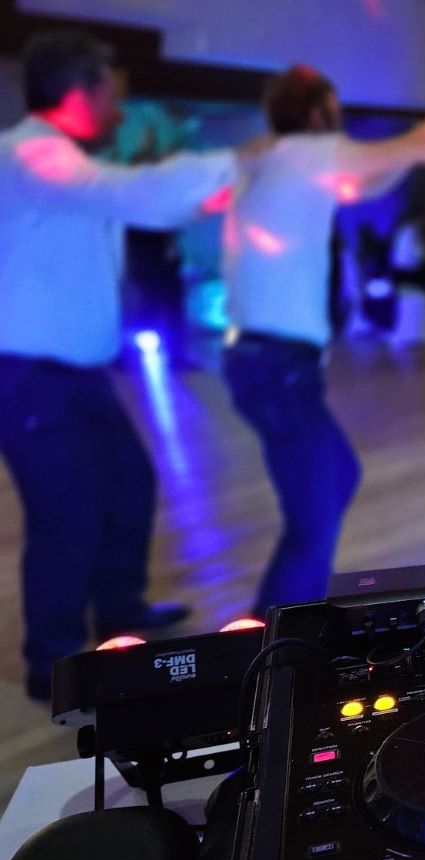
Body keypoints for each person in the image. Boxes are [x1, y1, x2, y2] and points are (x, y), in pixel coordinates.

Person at [223, 65, 425, 615]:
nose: (341, 122)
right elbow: (421, 143)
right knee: (311, 525)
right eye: (335, 110)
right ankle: (270, 638)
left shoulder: (284, 163)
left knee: (339, 477)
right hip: (276, 368)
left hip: (268, 365)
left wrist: (409, 154)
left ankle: (283, 617)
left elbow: (372, 180)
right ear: (317, 114)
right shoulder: (308, 154)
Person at [0, 31, 243, 700]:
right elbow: (129, 193)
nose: (120, 108)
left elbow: (135, 199)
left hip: (75, 376)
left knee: (128, 485)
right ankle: (52, 662)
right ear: (79, 93)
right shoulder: (30, 156)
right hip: (32, 378)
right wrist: (234, 161)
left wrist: (205, 193)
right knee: (65, 513)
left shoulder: (64, 162)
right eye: (113, 94)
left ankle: (120, 612)